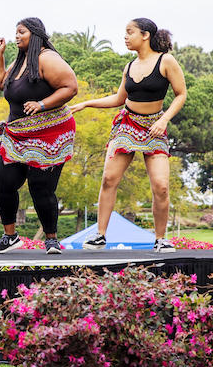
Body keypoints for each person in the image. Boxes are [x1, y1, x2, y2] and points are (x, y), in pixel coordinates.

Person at [71, 18, 187, 252]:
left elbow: (181, 94)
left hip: (155, 126)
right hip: (127, 125)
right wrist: (86, 104)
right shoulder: (129, 66)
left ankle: (161, 239)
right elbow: (118, 99)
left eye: (129, 32)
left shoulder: (166, 61)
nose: (125, 37)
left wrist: (164, 120)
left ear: (145, 35)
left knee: (161, 186)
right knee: (109, 179)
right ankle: (100, 235)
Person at [0, 18, 79, 254]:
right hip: (18, 134)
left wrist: (42, 104)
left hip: (49, 132)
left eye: (22, 32)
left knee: (40, 186)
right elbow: (0, 83)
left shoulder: (47, 58)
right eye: (16, 32)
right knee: (4, 181)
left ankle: (51, 239)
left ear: (36, 34)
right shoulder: (20, 61)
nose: (17, 36)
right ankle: (10, 237)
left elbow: (70, 87)